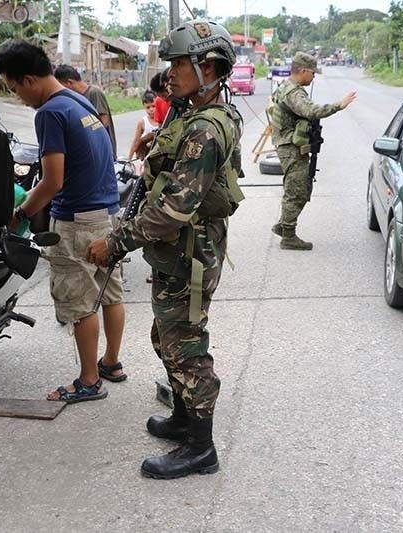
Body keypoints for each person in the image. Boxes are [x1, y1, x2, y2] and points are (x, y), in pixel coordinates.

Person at [87, 20, 244, 479]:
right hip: (178, 252)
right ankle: (181, 418)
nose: (170, 74)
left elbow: (175, 208)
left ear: (208, 68)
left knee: (186, 350)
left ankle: (201, 447)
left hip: (189, 253)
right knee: (167, 339)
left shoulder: (205, 129)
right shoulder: (193, 115)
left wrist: (115, 242)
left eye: (179, 64)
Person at [0, 40, 127, 403]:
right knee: (110, 293)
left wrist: (21, 213)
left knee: (79, 302)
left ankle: (89, 380)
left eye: (14, 87)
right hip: (108, 216)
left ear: (29, 79)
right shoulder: (79, 101)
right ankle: (111, 362)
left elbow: (52, 181)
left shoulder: (49, 112)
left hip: (77, 220)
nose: (18, 97)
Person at [269, 52, 357, 250]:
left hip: (291, 146)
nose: (314, 76)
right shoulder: (294, 92)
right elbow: (311, 111)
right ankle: (288, 236)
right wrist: (339, 105)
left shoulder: (287, 86)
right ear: (303, 71)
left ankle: (284, 225)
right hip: (291, 147)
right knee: (296, 191)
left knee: (301, 187)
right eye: (312, 72)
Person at [54, 65, 118, 156]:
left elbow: (104, 121)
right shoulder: (74, 97)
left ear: (69, 82)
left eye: (61, 86)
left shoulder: (94, 93)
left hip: (102, 150)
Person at [126, 90, 160, 162]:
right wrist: (129, 159)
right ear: (144, 107)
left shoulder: (162, 120)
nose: (151, 109)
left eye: (153, 106)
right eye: (148, 107)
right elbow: (135, 141)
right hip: (146, 159)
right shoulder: (142, 123)